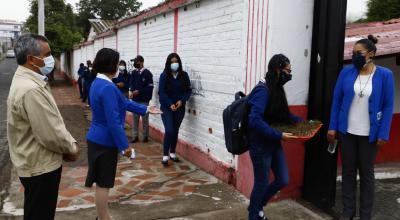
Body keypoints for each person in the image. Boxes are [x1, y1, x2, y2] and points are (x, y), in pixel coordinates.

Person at [7, 33, 79, 220]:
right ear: (31, 59)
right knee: (40, 215)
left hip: (34, 162)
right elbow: (50, 133)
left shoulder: (29, 81)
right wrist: (71, 147)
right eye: (47, 55)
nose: (51, 59)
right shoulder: (30, 89)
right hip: (40, 166)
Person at [85, 48, 161, 220]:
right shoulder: (108, 87)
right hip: (105, 141)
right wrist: (125, 147)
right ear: (111, 65)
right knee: (104, 183)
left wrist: (146, 108)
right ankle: (104, 218)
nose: (120, 68)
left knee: (101, 182)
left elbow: (124, 102)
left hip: (95, 138)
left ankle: (102, 216)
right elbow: (113, 122)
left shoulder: (98, 83)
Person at [328, 35, 394, 220]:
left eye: (359, 53)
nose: (354, 56)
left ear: (371, 54)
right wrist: (332, 126)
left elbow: (388, 106)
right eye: (352, 53)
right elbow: (337, 99)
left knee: (367, 175)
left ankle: (365, 215)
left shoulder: (385, 75)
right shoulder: (346, 72)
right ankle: (348, 212)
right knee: (348, 173)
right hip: (346, 132)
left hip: (370, 134)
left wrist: (384, 132)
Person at [247, 54, 300, 220]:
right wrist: (279, 134)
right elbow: (254, 120)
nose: (289, 75)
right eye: (287, 71)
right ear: (277, 69)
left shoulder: (276, 87)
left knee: (283, 179)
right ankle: (254, 215)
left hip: (273, 142)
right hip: (260, 145)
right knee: (261, 182)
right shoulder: (263, 90)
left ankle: (256, 206)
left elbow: (282, 114)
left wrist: (304, 123)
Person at [158, 53, 191, 166]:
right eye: (172, 62)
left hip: (179, 108)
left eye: (176, 61)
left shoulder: (184, 75)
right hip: (167, 108)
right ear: (168, 63)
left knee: (175, 130)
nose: (174, 64)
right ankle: (165, 155)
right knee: (169, 130)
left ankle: (172, 152)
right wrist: (170, 103)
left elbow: (188, 91)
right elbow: (161, 93)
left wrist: (182, 100)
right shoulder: (164, 76)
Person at [129, 55, 154, 143]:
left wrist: (139, 91)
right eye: (135, 62)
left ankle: (145, 136)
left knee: (145, 120)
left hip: (144, 101)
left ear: (142, 62)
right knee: (135, 120)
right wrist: (131, 91)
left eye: (137, 62)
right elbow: (131, 84)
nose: (135, 63)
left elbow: (150, 88)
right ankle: (134, 136)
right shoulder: (134, 73)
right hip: (135, 101)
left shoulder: (147, 73)